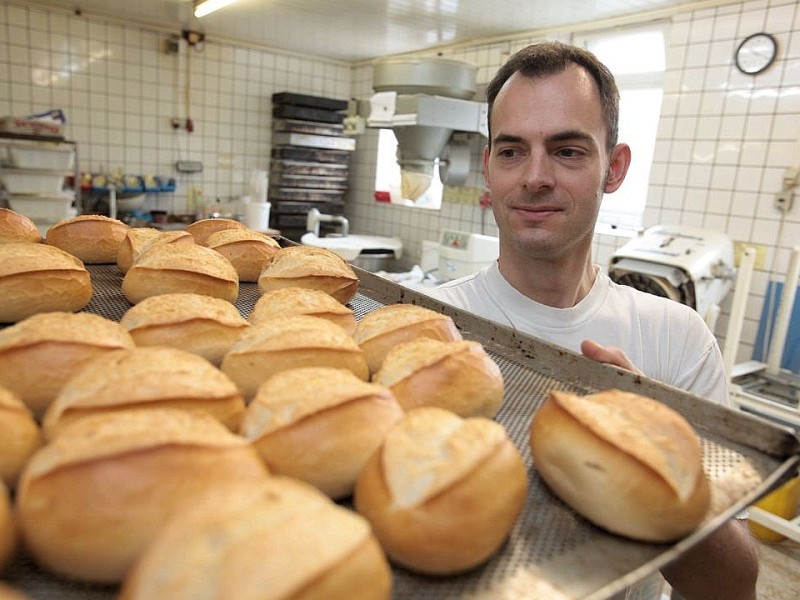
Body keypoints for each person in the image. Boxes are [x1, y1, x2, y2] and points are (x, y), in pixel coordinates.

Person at [428, 41, 759, 600]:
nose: (534, 177)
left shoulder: (677, 340)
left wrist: (659, 457)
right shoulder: (427, 329)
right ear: (489, 167)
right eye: (511, 151)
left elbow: (729, 589)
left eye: (568, 151)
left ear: (615, 167)